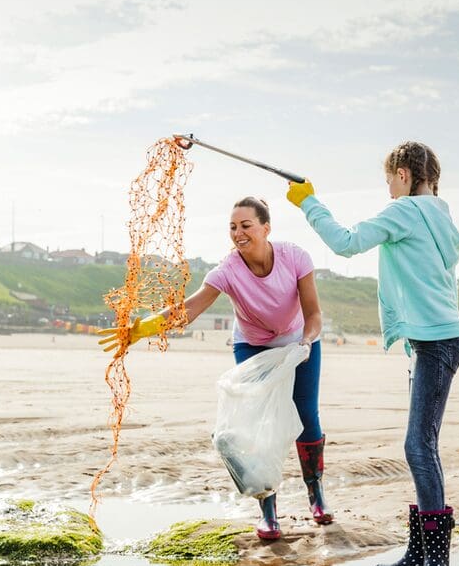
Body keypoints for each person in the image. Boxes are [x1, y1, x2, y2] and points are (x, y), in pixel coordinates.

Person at [286, 141, 459, 566]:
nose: (387, 188)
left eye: (389, 178)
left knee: (418, 446)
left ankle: (437, 565)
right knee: (422, 445)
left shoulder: (406, 212)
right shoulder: (440, 215)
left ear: (404, 174)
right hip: (436, 339)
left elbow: (346, 243)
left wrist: (308, 201)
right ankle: (420, 555)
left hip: (436, 341)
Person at [98, 196, 332, 540]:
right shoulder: (227, 271)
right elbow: (187, 310)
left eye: (246, 225)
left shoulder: (295, 257)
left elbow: (313, 313)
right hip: (252, 346)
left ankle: (317, 496)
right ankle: (268, 512)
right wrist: (142, 328)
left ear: (266, 228)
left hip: (300, 342)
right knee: (255, 426)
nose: (238, 233)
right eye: (233, 227)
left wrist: (306, 341)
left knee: (306, 417)